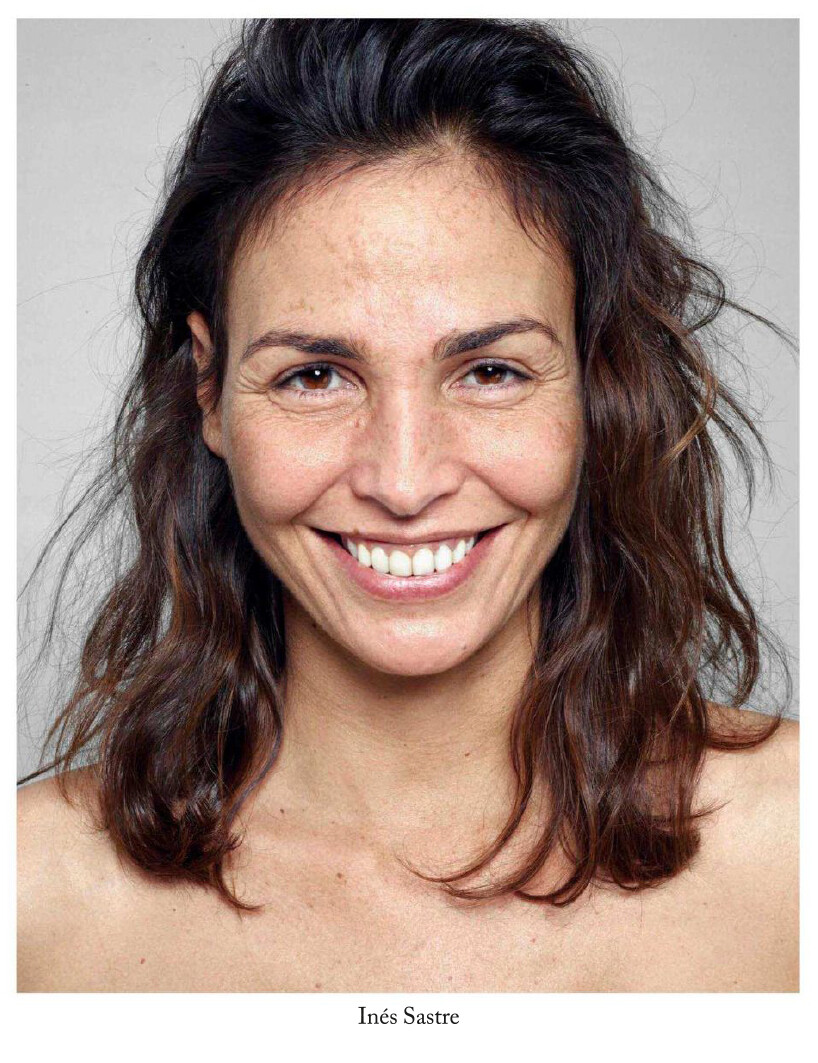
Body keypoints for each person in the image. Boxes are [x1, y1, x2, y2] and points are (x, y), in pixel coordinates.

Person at [17, 18, 797, 993]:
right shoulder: (31, 906)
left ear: (595, 383)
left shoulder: (794, 854)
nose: (403, 480)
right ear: (209, 391)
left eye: (491, 371)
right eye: (314, 376)